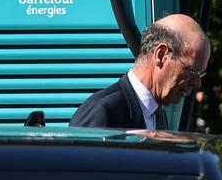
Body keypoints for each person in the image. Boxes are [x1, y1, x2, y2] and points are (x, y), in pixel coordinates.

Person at [69, 14, 209, 130]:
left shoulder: (157, 114)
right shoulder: (103, 112)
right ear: (161, 55)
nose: (197, 82)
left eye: (200, 73)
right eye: (192, 70)